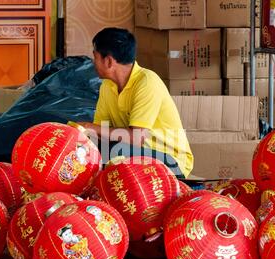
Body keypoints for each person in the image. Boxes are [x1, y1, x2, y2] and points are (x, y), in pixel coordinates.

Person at [77, 27, 193, 179]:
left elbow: (137, 138)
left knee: (114, 151)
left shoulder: (147, 82)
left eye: (95, 57)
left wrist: (90, 127)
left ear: (109, 61)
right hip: (134, 152)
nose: (93, 62)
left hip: (172, 162)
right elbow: (99, 133)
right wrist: (78, 137)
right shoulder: (107, 86)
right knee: (91, 150)